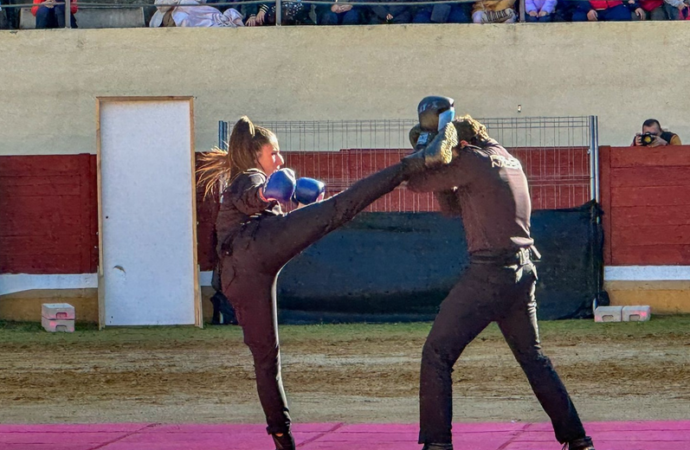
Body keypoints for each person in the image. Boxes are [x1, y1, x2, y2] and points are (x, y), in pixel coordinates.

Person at [196, 116, 454, 450]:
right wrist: (264, 193)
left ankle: (281, 436)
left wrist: (295, 206)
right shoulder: (248, 177)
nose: (280, 159)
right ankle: (413, 163)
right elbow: (251, 196)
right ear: (254, 154)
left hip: (241, 276)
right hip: (250, 251)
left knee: (267, 358)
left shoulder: (247, 185)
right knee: (339, 209)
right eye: (273, 153)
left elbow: (266, 212)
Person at [405, 97, 596, 450]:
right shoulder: (505, 158)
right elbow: (452, 206)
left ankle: (437, 444)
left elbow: (417, 182)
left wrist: (420, 148)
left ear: (458, 144)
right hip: (522, 272)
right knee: (533, 357)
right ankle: (577, 438)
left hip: (490, 272)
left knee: (437, 354)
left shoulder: (473, 159)